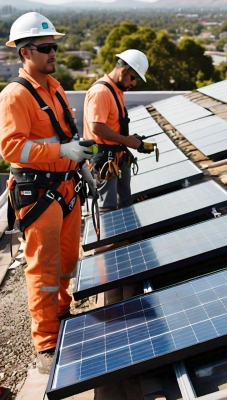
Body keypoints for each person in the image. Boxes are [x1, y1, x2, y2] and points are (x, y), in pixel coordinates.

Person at [0, 12, 93, 374]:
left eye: (54, 46)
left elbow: (63, 134)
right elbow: (12, 149)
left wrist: (78, 161)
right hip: (38, 194)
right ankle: (47, 342)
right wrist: (61, 153)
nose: (53, 53)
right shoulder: (15, 96)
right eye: (45, 48)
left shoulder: (54, 87)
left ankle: (63, 312)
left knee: (68, 260)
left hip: (67, 187)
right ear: (25, 52)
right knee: (44, 269)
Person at [83, 49, 154, 213]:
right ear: (123, 71)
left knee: (125, 203)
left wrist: (130, 138)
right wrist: (128, 141)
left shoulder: (116, 90)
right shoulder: (101, 92)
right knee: (109, 209)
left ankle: (129, 238)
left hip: (116, 156)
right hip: (103, 160)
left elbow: (112, 124)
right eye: (134, 78)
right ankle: (114, 239)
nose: (134, 83)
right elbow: (97, 127)